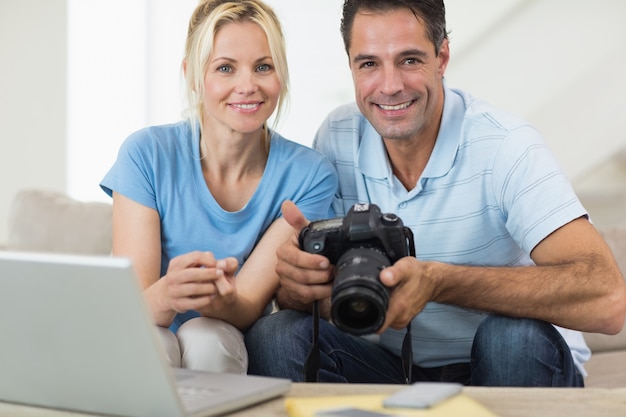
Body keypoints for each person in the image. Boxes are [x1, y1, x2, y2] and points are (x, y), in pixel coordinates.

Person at [245, 0, 626, 386]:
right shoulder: (338, 135)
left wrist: (440, 282)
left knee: (511, 338)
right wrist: (300, 286)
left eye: (409, 60)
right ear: (351, 65)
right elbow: (326, 300)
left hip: (508, 363)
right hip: (393, 368)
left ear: (442, 56)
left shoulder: (506, 146)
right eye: (369, 64)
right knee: (276, 336)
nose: (390, 86)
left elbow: (608, 301)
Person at [100, 0, 337, 374]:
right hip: (148, 328)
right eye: (225, 68)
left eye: (263, 67)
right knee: (155, 341)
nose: (248, 86)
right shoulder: (145, 154)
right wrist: (170, 292)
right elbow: (132, 309)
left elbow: (243, 309)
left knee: (206, 336)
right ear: (193, 76)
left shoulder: (309, 174)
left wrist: (217, 297)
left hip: (225, 341)